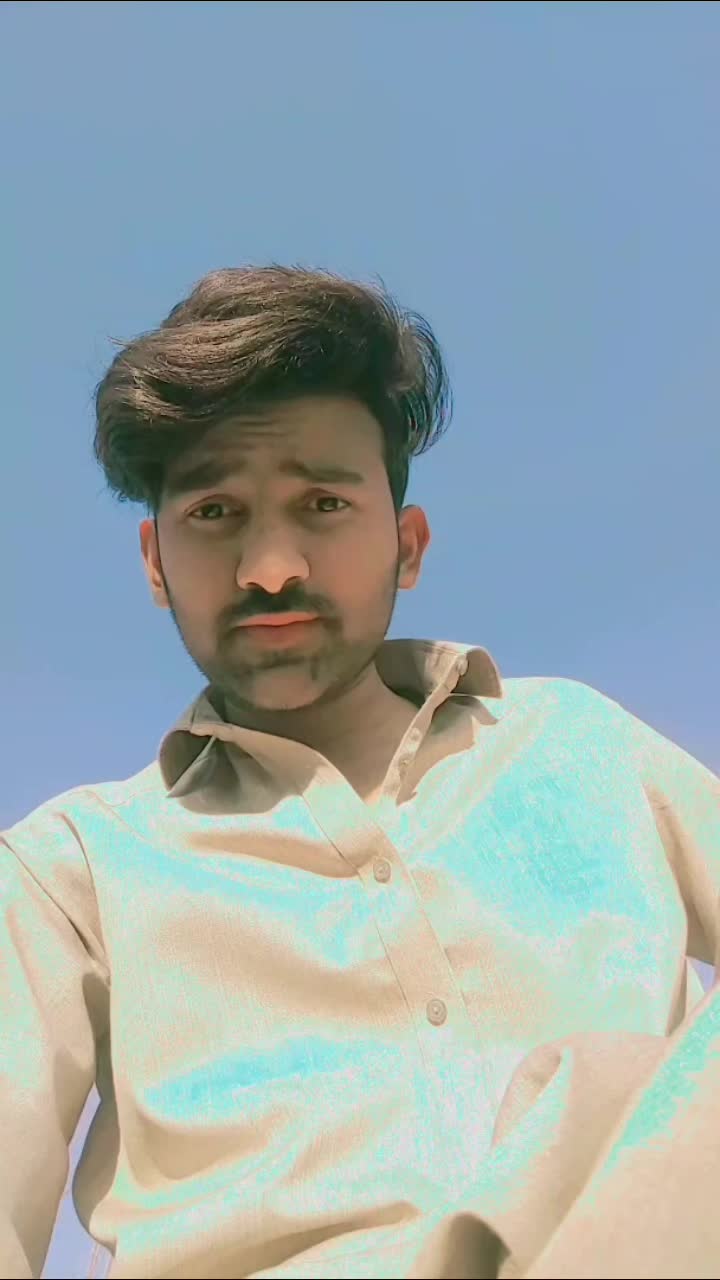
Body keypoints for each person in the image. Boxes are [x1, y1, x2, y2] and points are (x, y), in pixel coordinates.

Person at [2, 265, 718, 1280]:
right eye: (215, 512)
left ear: (408, 544)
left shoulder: (578, 743)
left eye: (324, 502)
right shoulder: (70, 875)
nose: (272, 568)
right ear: (155, 562)